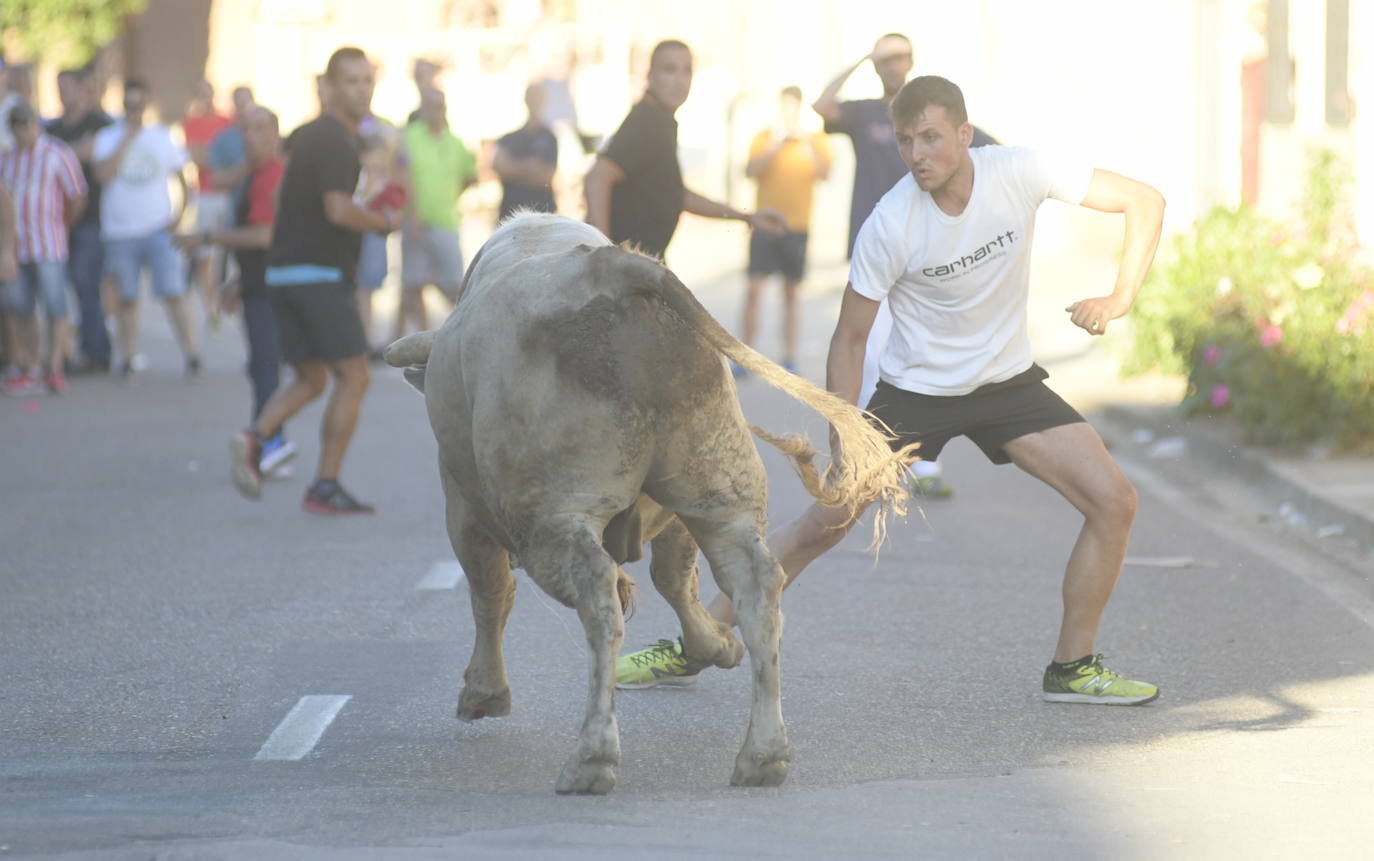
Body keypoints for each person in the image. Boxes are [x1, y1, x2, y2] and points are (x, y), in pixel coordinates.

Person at [616, 76, 1166, 708]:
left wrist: (1119, 296)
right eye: (906, 141)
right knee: (824, 524)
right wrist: (844, 429)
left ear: (964, 134)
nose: (916, 154)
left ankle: (1073, 668)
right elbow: (851, 338)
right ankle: (697, 640)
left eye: (931, 137)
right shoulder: (891, 223)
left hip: (1007, 383)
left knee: (1115, 502)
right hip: (917, 393)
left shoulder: (1019, 170)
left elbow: (1143, 200)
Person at [815, 33, 998, 498]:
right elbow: (822, 104)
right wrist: (858, 58)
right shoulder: (862, 113)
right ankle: (867, 457)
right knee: (872, 356)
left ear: (911, 60)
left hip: (928, 254)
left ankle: (922, 464)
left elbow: (990, 154)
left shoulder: (932, 114)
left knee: (922, 355)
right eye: (884, 59)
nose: (892, 64)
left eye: (899, 56)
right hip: (874, 250)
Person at [228, 47, 402, 515]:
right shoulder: (335, 139)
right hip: (318, 276)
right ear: (329, 86)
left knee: (311, 377)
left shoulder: (306, 136)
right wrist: (383, 222)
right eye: (351, 81)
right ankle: (325, 484)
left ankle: (253, 437)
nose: (361, 90)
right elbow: (338, 210)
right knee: (355, 375)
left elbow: (283, 197)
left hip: (285, 272)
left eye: (367, 80)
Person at [584, 40, 785, 261]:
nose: (679, 81)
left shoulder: (662, 121)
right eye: (669, 70)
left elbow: (677, 195)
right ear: (650, 76)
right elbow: (597, 177)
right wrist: (603, 253)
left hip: (646, 264)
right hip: (627, 271)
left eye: (686, 71)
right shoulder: (646, 121)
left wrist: (745, 217)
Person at [178, 106, 295, 477]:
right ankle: (269, 444)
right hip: (260, 285)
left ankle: (270, 445)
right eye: (245, 129)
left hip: (273, 290)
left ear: (275, 134)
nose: (250, 136)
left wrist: (206, 237)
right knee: (261, 367)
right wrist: (240, 283)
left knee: (266, 369)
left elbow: (264, 236)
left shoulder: (271, 175)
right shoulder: (256, 172)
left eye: (260, 129)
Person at [93, 77, 201, 379]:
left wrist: (179, 217)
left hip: (157, 228)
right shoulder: (107, 137)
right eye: (128, 107)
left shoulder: (163, 136)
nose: (134, 112)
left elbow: (184, 178)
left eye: (138, 106)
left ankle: (192, 353)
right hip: (120, 231)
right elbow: (103, 175)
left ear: (147, 106)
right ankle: (127, 356)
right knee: (126, 296)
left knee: (173, 292)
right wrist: (126, 138)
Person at [739, 85, 832, 374]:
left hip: (797, 227)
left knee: (792, 293)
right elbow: (751, 170)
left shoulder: (815, 140)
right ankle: (745, 357)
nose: (789, 113)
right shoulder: (764, 137)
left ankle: (790, 357)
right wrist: (776, 144)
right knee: (754, 290)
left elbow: (825, 173)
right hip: (765, 226)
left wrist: (805, 143)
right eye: (785, 107)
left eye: (794, 107)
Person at [0, 103, 87, 394]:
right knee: (22, 307)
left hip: (49, 243)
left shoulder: (57, 154)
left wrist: (63, 226)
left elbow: (76, 195)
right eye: (17, 127)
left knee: (55, 305)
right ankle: (31, 364)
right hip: (17, 246)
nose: (23, 132)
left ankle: (55, 365)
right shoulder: (8, 159)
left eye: (27, 125)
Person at [47, 66, 114, 375]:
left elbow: (95, 158)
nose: (63, 93)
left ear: (82, 88)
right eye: (59, 87)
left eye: (68, 87)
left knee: (87, 283)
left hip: (89, 217)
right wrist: (75, 152)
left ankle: (96, 351)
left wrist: (69, 154)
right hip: (56, 219)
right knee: (61, 288)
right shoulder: (53, 127)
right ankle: (65, 351)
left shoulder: (101, 124)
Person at [394, 86, 474, 340]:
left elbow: (470, 175)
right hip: (416, 221)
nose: (435, 111)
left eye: (439, 106)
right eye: (430, 106)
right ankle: (421, 336)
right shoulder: (410, 137)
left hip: (446, 221)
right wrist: (412, 212)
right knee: (413, 283)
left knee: (454, 283)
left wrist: (452, 196)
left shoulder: (455, 142)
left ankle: (467, 330)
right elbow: (403, 174)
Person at [182, 79, 234, 325]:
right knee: (206, 255)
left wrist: (214, 157)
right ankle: (210, 304)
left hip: (227, 195)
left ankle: (225, 300)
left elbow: (233, 157)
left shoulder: (227, 122)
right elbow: (197, 157)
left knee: (228, 253)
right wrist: (221, 160)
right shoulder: (190, 123)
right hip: (206, 195)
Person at [494, 83, 557, 221]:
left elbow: (545, 178)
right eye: (531, 97)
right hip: (510, 214)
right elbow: (500, 169)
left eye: (537, 98)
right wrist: (529, 167)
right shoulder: (509, 138)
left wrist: (514, 168)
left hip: (541, 216)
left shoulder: (549, 137)